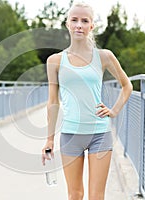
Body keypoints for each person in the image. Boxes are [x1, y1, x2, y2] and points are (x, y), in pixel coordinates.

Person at [42, 2, 133, 200]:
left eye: (84, 21)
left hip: (100, 134)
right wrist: (49, 139)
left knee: (96, 196)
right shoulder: (55, 61)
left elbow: (127, 86)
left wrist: (114, 110)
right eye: (74, 20)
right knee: (75, 194)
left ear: (91, 26)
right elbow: (52, 102)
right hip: (70, 135)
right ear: (67, 24)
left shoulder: (104, 56)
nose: (79, 25)